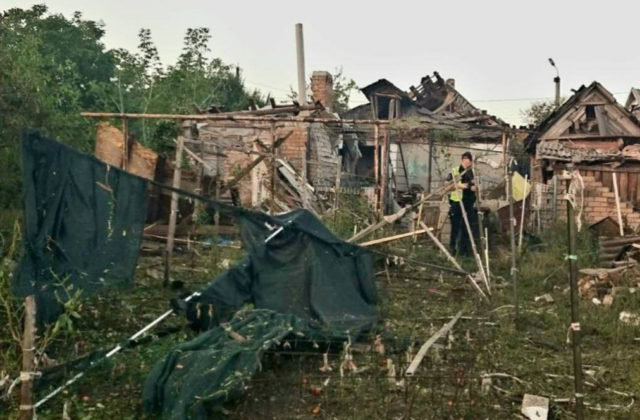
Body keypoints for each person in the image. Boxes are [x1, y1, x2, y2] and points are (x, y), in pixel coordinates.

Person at [447, 152, 479, 256]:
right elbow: (449, 185)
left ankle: (464, 251)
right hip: (457, 203)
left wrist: (475, 188)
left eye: (469, 161)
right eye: (465, 160)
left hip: (468, 204)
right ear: (462, 160)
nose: (467, 163)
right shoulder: (455, 171)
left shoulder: (472, 173)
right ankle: (452, 249)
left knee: (467, 228)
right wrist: (465, 186)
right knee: (455, 227)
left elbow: (477, 186)